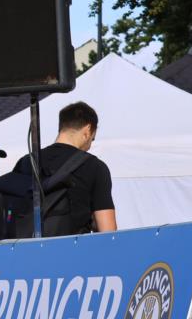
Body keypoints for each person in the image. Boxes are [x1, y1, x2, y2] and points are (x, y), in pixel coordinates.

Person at [8, 101, 116, 236]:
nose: (89, 145)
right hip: (72, 252)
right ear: (88, 130)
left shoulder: (26, 161)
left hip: (25, 250)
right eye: (92, 139)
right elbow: (108, 232)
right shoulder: (95, 167)